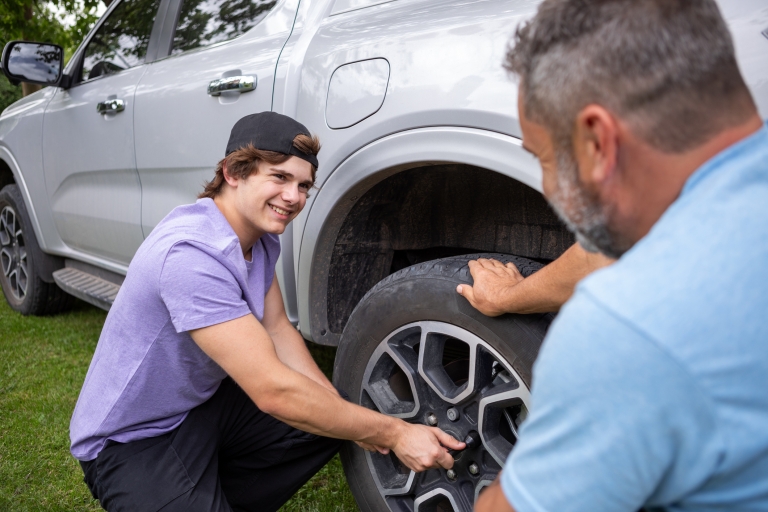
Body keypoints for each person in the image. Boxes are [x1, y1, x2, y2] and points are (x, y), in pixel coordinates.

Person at [69, 112, 464, 512]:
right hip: (131, 440)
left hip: (199, 407)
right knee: (312, 407)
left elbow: (276, 328)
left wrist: (342, 407)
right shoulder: (190, 256)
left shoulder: (257, 239)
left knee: (330, 416)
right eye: (279, 178)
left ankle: (210, 491)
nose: (294, 197)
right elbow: (273, 391)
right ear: (233, 173)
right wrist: (393, 433)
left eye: (303, 185)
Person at [469, 1, 768, 511]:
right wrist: (516, 296)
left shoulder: (629, 327)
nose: (545, 182)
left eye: (542, 157)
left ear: (598, 141)